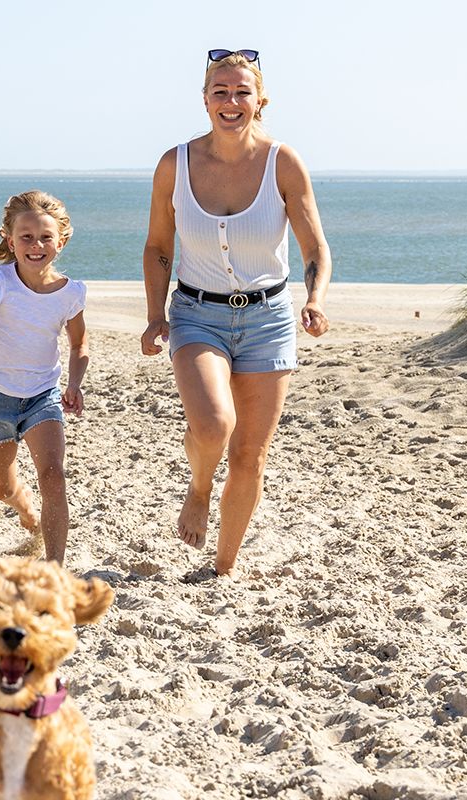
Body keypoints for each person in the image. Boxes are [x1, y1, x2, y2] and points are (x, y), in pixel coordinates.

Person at [140, 49, 331, 577]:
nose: (231, 101)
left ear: (260, 100)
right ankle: (198, 488)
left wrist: (315, 300)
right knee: (214, 424)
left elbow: (314, 249)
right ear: (204, 100)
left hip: (268, 321)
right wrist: (156, 316)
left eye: (241, 91)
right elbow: (158, 247)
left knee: (250, 454)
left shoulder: (283, 163)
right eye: (220, 92)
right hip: (197, 315)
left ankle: (223, 566)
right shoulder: (173, 164)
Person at [0, 191, 90, 565]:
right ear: (10, 240)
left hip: (43, 396)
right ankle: (27, 514)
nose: (36, 245)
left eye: (44, 237)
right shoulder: (0, 283)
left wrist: (74, 382)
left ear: (61, 241)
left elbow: (79, 345)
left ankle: (54, 566)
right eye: (26, 237)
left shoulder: (70, 294)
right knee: (2, 488)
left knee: (54, 476)